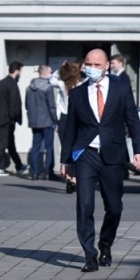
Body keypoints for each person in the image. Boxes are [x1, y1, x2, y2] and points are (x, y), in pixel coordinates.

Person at [59, 47, 140, 273]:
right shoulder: (77, 94)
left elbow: (133, 121)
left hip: (113, 154)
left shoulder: (121, 88)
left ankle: (105, 244)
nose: (92, 68)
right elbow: (70, 129)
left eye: (97, 65)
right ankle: (90, 255)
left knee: (114, 207)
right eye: (89, 64)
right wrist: (65, 160)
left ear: (107, 66)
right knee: (85, 205)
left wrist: (139, 150)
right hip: (85, 154)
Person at [0, 61, 25, 177]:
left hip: (1, 118)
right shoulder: (11, 84)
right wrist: (13, 117)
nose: (20, 74)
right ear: (17, 70)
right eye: (20, 71)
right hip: (7, 119)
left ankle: (19, 165)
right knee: (3, 143)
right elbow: (13, 102)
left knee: (10, 143)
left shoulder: (1, 83)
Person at [25, 64, 59, 180]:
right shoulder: (48, 87)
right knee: (49, 147)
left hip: (34, 121)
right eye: (50, 72)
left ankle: (34, 173)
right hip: (47, 121)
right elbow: (51, 106)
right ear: (45, 74)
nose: (51, 75)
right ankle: (48, 172)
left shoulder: (29, 87)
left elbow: (27, 105)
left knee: (35, 147)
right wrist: (56, 121)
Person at [57, 60, 81, 194]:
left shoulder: (61, 85)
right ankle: (75, 177)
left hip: (64, 118)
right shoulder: (79, 84)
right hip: (76, 118)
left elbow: (52, 79)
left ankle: (68, 177)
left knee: (66, 148)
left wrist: (61, 67)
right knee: (75, 149)